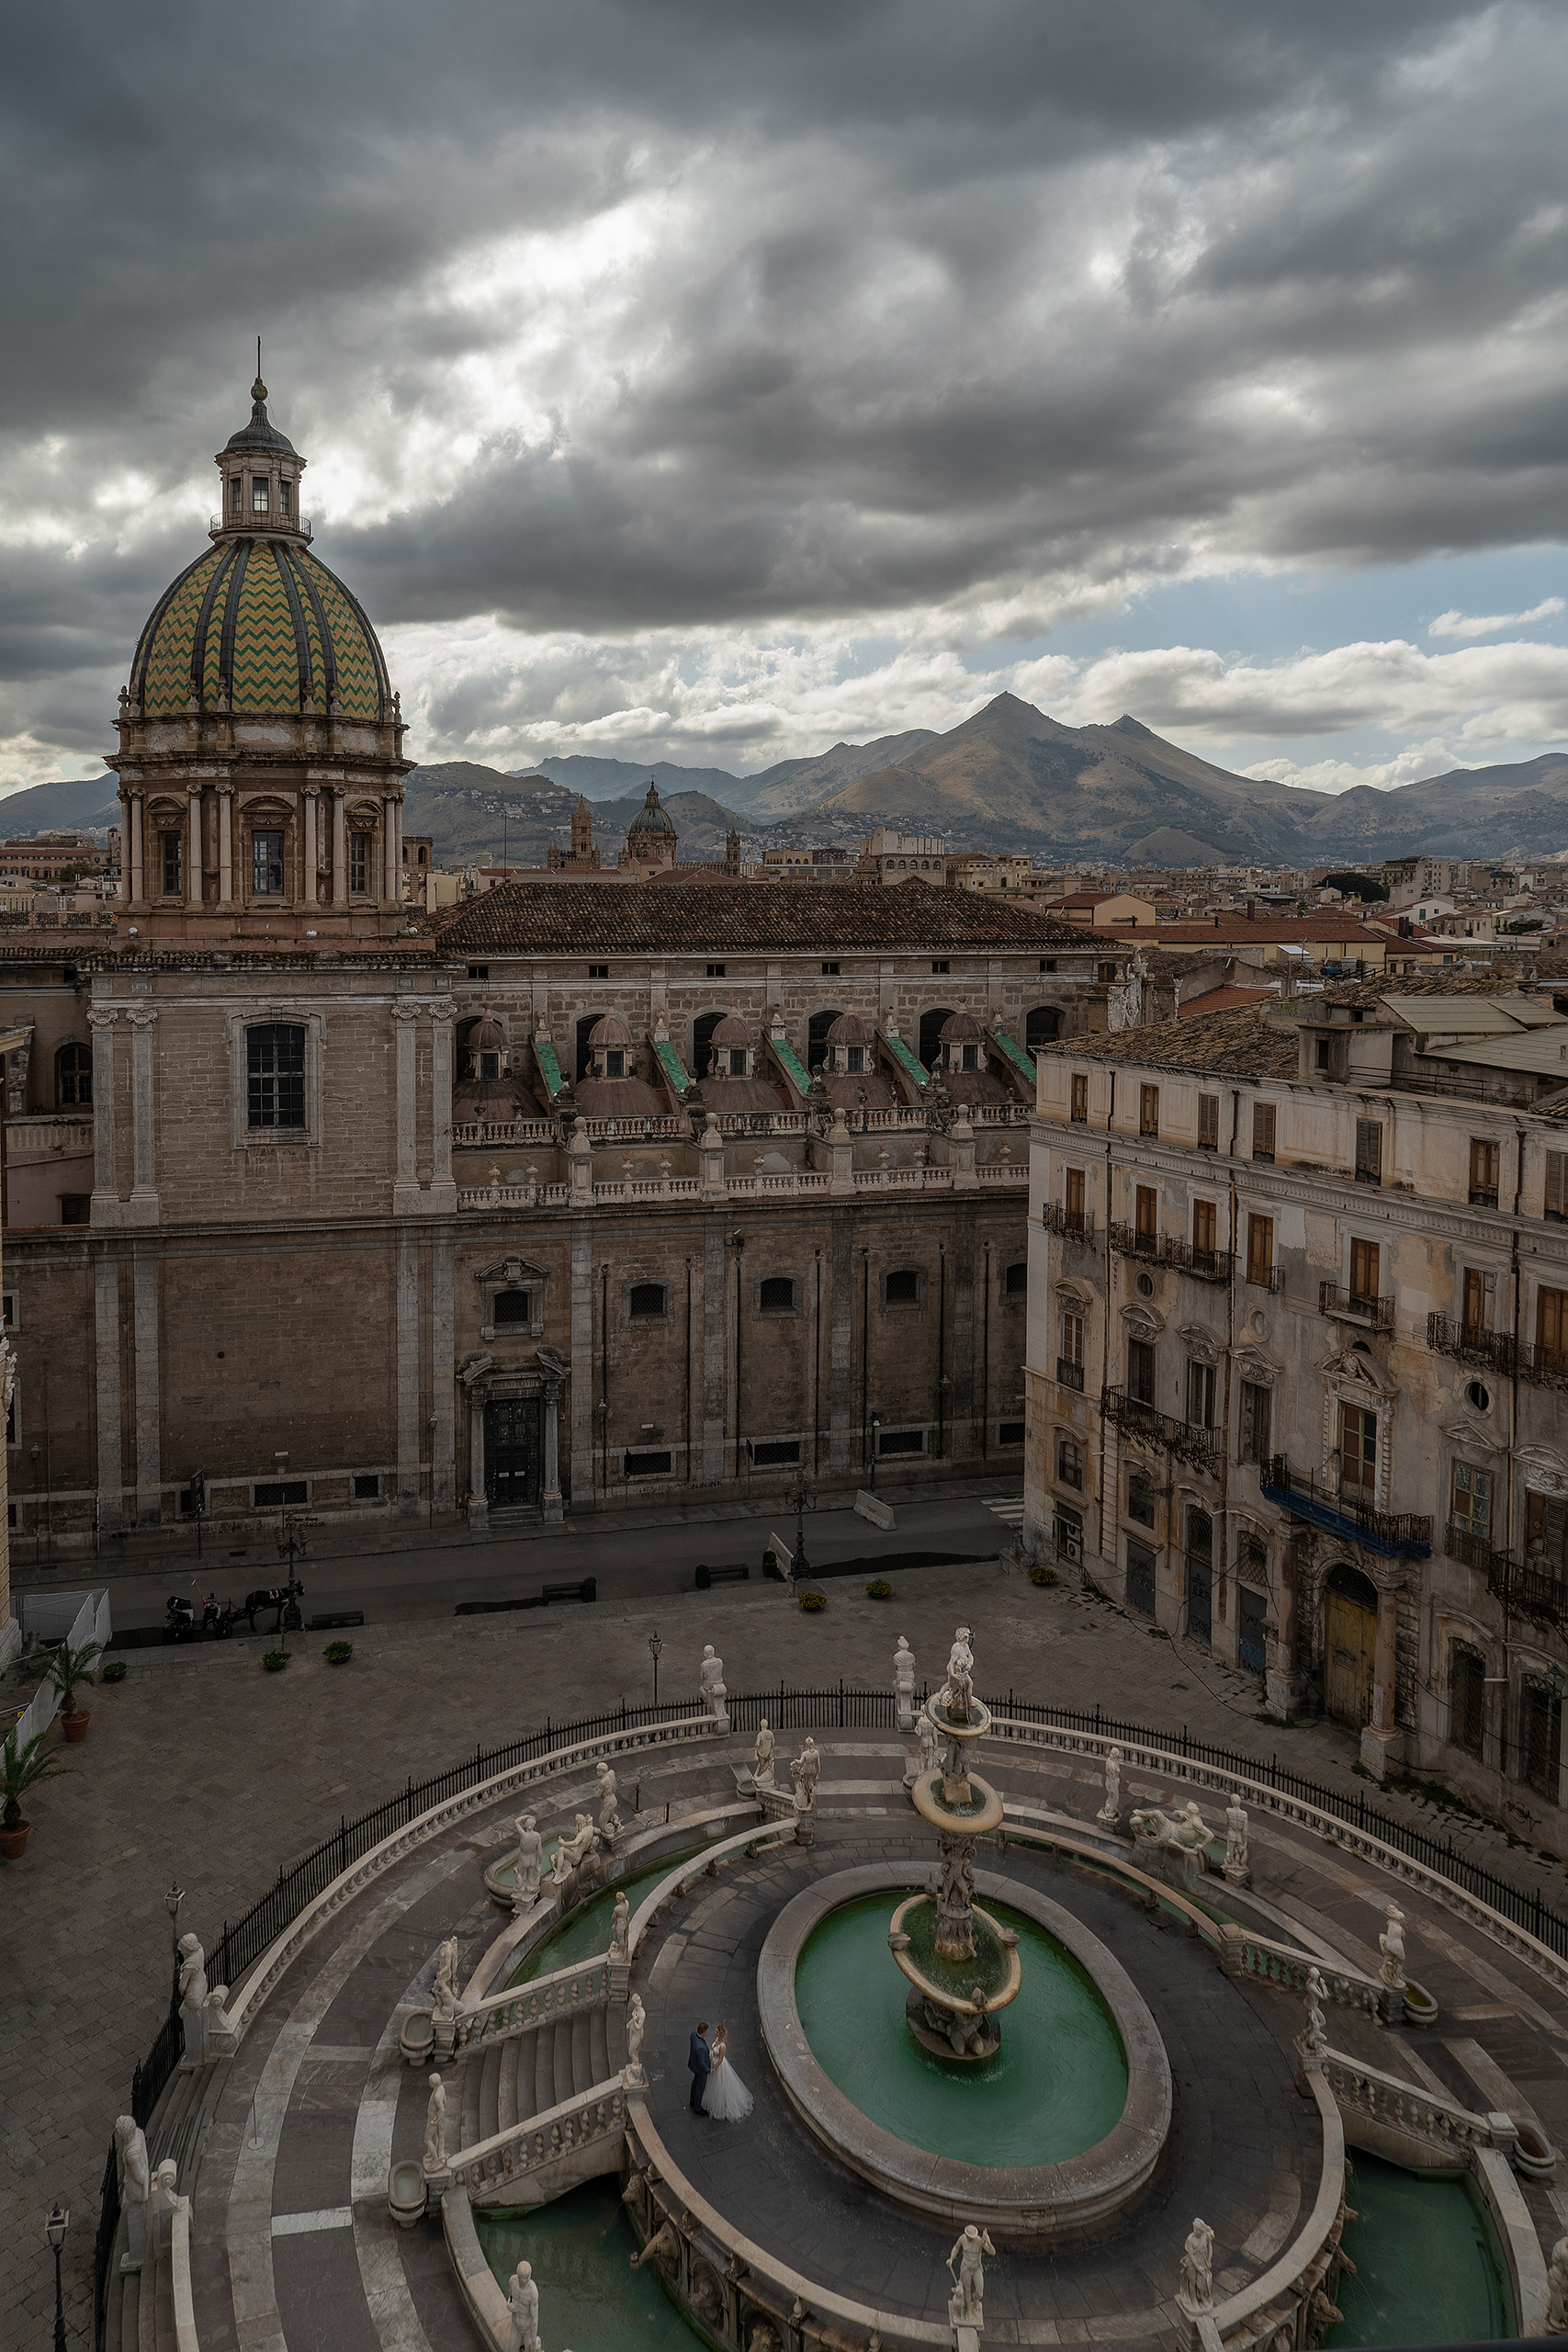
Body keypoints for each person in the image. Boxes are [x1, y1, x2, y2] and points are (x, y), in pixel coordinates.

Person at [704, 2024, 753, 2122]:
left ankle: (722, 2103)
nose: (715, 2032)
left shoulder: (722, 2046)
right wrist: (711, 2054)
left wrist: (714, 2068)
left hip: (719, 2066)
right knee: (714, 2084)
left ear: (720, 2034)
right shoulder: (717, 2040)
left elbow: (721, 2059)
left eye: (717, 2031)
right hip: (713, 2061)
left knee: (721, 2084)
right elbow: (714, 2051)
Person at [688, 2019, 712, 2114]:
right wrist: (708, 2070)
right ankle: (697, 2108)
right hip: (700, 2069)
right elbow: (702, 2063)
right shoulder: (700, 2047)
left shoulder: (693, 2035)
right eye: (706, 2031)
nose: (707, 2032)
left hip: (693, 2065)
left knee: (695, 2081)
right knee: (700, 2087)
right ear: (703, 2033)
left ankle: (692, 2099)